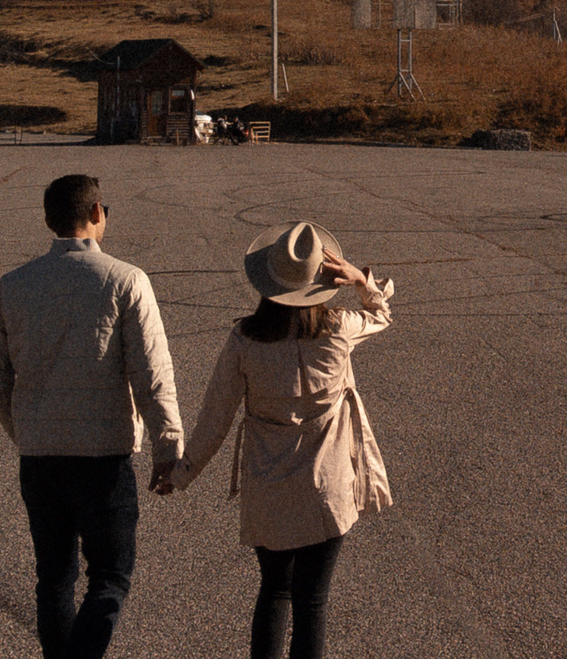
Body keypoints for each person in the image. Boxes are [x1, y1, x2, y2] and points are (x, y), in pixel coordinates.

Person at [162, 221, 394, 659]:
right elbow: (382, 314)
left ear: (267, 282)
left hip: (270, 487)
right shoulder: (340, 329)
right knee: (313, 601)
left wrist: (181, 473)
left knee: (275, 593)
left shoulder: (245, 341)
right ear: (322, 282)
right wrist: (363, 281)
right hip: (329, 487)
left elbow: (215, 417)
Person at [0, 174, 184, 659]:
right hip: (103, 457)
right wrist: (168, 447)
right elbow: (152, 374)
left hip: (40, 458)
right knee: (110, 578)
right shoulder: (125, 280)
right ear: (96, 214)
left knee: (53, 577)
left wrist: (25, 430)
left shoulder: (12, 286)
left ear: (50, 220)